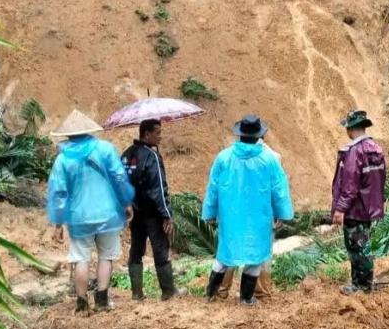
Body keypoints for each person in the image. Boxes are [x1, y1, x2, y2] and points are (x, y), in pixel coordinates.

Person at [47, 110, 135, 313]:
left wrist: (58, 223)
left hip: (78, 217)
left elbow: (59, 192)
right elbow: (119, 178)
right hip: (108, 214)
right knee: (106, 256)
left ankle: (81, 303)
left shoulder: (62, 159)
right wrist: (126, 203)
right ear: (89, 130)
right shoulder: (105, 149)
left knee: (80, 258)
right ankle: (103, 301)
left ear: (68, 135)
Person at [201, 115, 294, 305]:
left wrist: (210, 213)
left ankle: (211, 294)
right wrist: (282, 214)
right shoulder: (269, 160)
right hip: (258, 218)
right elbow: (279, 189)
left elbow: (213, 187)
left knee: (225, 253)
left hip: (230, 216)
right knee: (256, 255)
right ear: (259, 135)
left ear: (239, 135)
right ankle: (246, 298)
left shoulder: (224, 157)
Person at [216, 133, 280, 300]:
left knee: (230, 249)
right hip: (260, 215)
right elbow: (277, 189)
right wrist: (280, 212)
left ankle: (220, 290)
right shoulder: (272, 157)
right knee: (260, 254)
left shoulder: (228, 155)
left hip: (234, 213)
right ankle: (259, 292)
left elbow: (219, 186)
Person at [331, 109, 387, 295]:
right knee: (363, 244)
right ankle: (361, 283)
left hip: (355, 210)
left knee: (357, 248)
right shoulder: (375, 148)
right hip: (369, 208)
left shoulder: (355, 152)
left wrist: (340, 209)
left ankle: (361, 286)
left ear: (351, 128)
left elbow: (350, 186)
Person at [121, 119, 178, 301]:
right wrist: (166, 214)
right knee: (160, 249)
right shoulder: (151, 157)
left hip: (134, 212)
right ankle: (168, 291)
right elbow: (158, 189)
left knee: (136, 250)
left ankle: (137, 293)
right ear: (147, 134)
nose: (160, 137)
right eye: (158, 133)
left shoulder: (127, 155)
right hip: (152, 213)